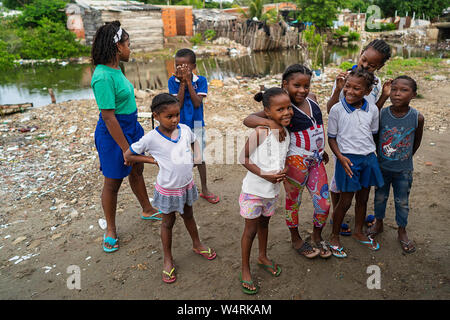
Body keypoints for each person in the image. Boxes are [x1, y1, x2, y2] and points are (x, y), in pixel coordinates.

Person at [124, 93, 216, 284]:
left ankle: (197, 244)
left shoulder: (184, 129)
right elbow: (129, 155)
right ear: (156, 116)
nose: (175, 120)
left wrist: (196, 156)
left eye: (177, 115)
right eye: (169, 116)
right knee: (168, 222)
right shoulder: (150, 138)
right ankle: (168, 258)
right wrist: (151, 159)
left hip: (186, 185)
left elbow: (193, 141)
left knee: (189, 215)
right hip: (167, 189)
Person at [243, 64, 331, 259]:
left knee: (324, 204)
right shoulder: (283, 109)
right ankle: (296, 239)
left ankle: (317, 235)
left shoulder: (313, 100)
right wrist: (270, 122)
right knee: (294, 202)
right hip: (295, 163)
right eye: (296, 85)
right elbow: (248, 120)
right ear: (285, 85)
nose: (302, 90)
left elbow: (315, 127)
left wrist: (320, 149)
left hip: (315, 160)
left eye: (306, 85)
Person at [91, 21, 160, 253]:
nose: (131, 49)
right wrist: (125, 148)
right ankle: (110, 229)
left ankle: (147, 209)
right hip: (114, 135)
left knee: (137, 171)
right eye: (128, 44)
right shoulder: (102, 76)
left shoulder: (116, 69)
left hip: (130, 128)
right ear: (118, 47)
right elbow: (109, 117)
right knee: (113, 181)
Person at [327, 40, 392, 235]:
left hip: (362, 144)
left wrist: (384, 97)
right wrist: (339, 89)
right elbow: (332, 110)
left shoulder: (375, 84)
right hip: (344, 141)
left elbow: (372, 113)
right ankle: (335, 216)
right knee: (339, 183)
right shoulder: (346, 78)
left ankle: (357, 218)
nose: (365, 65)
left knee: (361, 188)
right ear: (361, 53)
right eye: (364, 60)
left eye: (372, 65)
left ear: (380, 67)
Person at [239, 88, 293, 294]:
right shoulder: (262, 131)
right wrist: (264, 175)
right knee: (250, 231)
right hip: (254, 191)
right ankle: (245, 269)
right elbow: (243, 158)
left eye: (289, 107)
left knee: (264, 225)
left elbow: (281, 158)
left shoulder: (286, 132)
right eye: (280, 109)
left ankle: (262, 256)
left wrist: (284, 171)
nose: (287, 112)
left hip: (272, 191)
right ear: (268, 113)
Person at [327, 67, 384, 258]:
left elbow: (373, 134)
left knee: (363, 198)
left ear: (367, 92)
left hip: (368, 158)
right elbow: (332, 138)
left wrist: (373, 157)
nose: (350, 91)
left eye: (356, 89)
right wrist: (340, 157)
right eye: (347, 87)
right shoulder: (337, 109)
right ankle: (334, 236)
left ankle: (358, 231)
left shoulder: (373, 109)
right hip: (347, 160)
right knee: (345, 201)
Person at [369, 76, 424, 254]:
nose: (397, 94)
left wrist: (405, 157)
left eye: (404, 90)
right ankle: (379, 223)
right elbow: (375, 137)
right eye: (394, 89)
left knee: (402, 201)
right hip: (383, 167)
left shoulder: (417, 117)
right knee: (380, 197)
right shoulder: (382, 114)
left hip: (404, 170)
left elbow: (416, 142)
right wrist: (382, 156)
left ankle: (402, 230)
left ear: (413, 94)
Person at [168, 48, 220, 204]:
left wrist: (189, 81)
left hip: (197, 124)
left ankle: (204, 189)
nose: (181, 69)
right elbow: (178, 104)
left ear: (194, 66)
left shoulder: (201, 80)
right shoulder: (173, 81)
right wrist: (182, 83)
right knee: (180, 158)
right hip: (179, 126)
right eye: (178, 65)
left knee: (199, 158)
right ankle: (182, 188)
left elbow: (197, 103)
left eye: (185, 66)